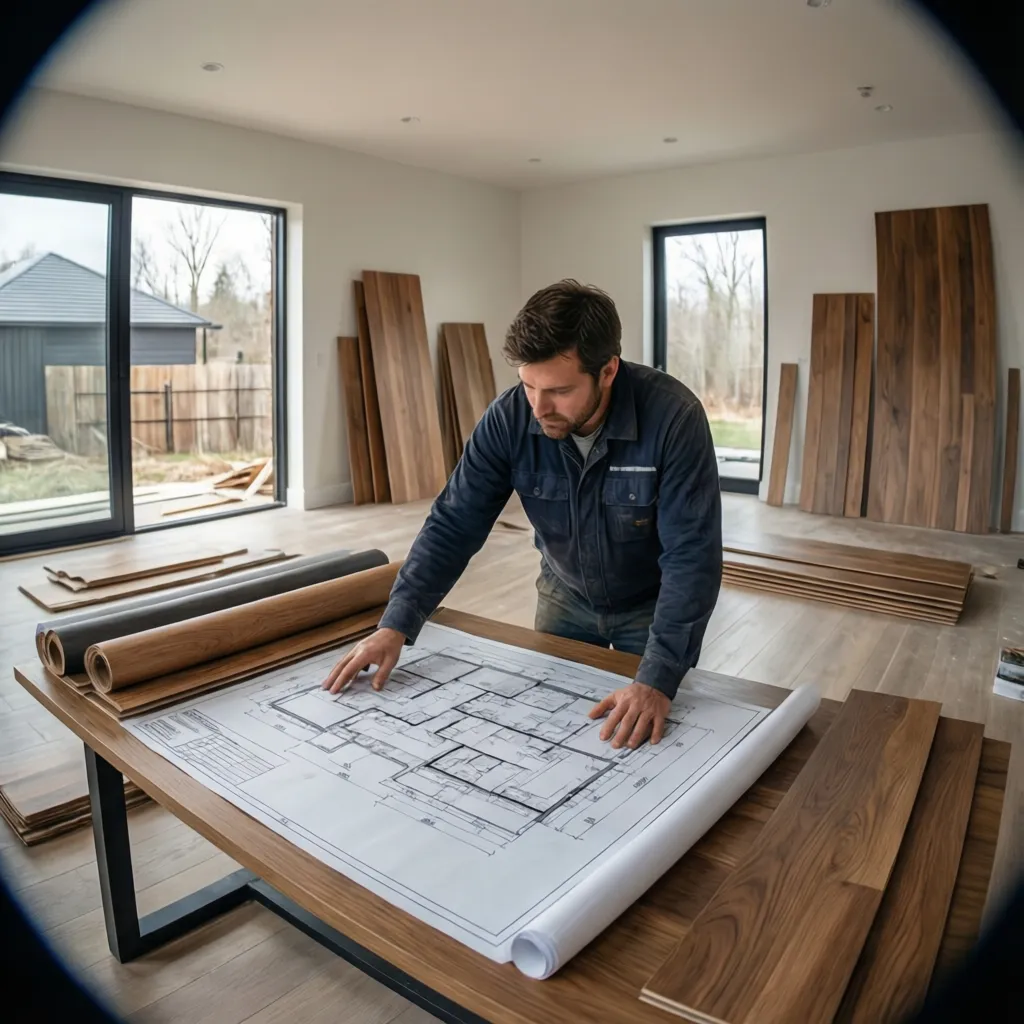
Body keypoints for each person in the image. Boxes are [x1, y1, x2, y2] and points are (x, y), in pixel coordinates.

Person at [323, 279, 722, 749]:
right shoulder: (510, 418)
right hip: (564, 595)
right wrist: (396, 623)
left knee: (645, 735)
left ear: (609, 370)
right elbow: (454, 522)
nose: (538, 407)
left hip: (651, 606)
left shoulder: (674, 418)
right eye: (528, 384)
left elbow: (691, 556)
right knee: (556, 732)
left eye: (559, 390)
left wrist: (656, 680)